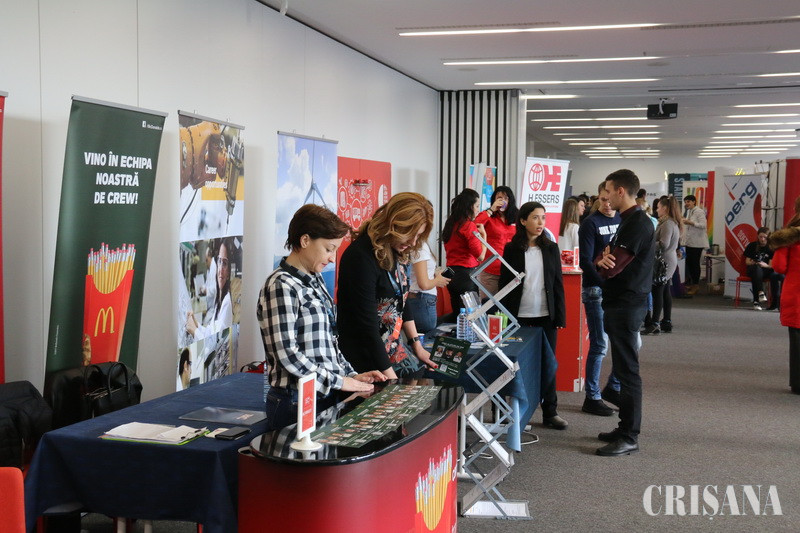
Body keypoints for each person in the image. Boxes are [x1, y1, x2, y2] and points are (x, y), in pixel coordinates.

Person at [257, 204, 385, 431]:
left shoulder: (315, 279)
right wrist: (341, 381)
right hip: (296, 399)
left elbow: (329, 343)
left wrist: (352, 375)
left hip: (325, 394)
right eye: (328, 249)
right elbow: (288, 354)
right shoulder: (281, 285)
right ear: (305, 240)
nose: (333, 259)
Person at [338, 193, 438, 379]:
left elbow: (402, 299)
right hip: (366, 359)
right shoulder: (361, 256)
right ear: (394, 225)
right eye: (409, 234)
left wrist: (417, 345)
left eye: (417, 236)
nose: (412, 243)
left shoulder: (395, 251)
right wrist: (392, 381)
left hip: (392, 350)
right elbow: (366, 327)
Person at [594, 169, 654, 457]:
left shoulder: (637, 223)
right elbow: (603, 258)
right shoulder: (627, 220)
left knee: (628, 371)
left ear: (620, 191)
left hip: (627, 304)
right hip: (621, 302)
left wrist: (602, 261)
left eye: (608, 190)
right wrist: (601, 259)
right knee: (622, 367)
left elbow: (611, 267)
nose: (605, 196)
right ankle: (624, 427)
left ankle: (630, 435)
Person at [499, 202, 567, 430]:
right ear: (523, 221)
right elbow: (505, 284)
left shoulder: (551, 248)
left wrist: (560, 317)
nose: (540, 223)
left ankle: (550, 412)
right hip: (518, 315)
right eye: (535, 217)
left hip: (545, 315)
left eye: (543, 218)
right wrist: (503, 316)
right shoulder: (512, 249)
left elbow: (557, 284)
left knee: (548, 364)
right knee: (513, 364)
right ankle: (509, 412)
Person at [578, 181, 621, 417]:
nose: (607, 204)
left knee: (631, 342)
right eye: (603, 200)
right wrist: (603, 282)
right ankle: (592, 397)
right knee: (600, 344)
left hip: (616, 289)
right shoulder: (590, 223)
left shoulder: (621, 219)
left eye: (609, 199)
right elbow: (585, 261)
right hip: (595, 290)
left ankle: (613, 387)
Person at [769, 197, 800, 393]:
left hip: (796, 293)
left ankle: (798, 383)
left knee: (797, 343)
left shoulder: (787, 238)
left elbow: (779, 267)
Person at [442, 189, 487, 319]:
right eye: (477, 206)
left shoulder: (450, 224)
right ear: (470, 206)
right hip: (466, 275)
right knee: (470, 318)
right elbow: (480, 255)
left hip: (451, 274)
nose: (478, 210)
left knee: (457, 316)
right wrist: (484, 236)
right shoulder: (468, 226)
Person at [643, 196, 682, 335]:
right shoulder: (670, 223)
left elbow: (664, 244)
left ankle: (655, 323)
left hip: (664, 261)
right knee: (665, 291)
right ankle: (666, 321)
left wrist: (647, 245)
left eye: (658, 207)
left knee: (658, 291)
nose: (656, 210)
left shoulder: (667, 224)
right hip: (667, 260)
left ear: (665, 208)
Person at [474, 185, 518, 298]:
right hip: (490, 268)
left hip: (510, 268)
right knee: (489, 303)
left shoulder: (516, 217)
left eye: (506, 198)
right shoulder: (488, 216)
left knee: (508, 304)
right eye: (499, 198)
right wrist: (491, 209)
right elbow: (474, 226)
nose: (502, 201)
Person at [185, 237, 233, 340]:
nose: (220, 269)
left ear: (229, 272)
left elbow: (214, 343)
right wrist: (196, 324)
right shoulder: (219, 302)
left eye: (225, 263)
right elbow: (210, 332)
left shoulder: (227, 303)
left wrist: (194, 331)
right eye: (219, 261)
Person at [407, 238, 450, 334]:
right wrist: (437, 281)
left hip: (420, 299)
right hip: (422, 299)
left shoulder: (420, 245)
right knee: (426, 336)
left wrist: (435, 275)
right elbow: (424, 285)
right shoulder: (419, 246)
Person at [744, 227, 783, 311]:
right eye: (760, 237)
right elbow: (747, 261)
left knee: (756, 275)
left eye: (764, 237)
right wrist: (753, 262)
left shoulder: (771, 247)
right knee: (756, 269)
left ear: (768, 237)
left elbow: (771, 265)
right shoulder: (752, 245)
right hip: (753, 269)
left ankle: (756, 301)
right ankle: (761, 292)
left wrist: (765, 265)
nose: (762, 239)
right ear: (757, 236)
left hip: (766, 270)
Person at [681, 194, 707, 295]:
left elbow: (703, 225)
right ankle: (692, 284)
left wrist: (691, 223)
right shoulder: (689, 211)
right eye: (685, 202)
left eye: (688, 201)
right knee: (690, 264)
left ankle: (696, 285)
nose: (686, 204)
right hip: (690, 242)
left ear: (694, 202)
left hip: (697, 243)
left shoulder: (699, 211)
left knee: (695, 264)